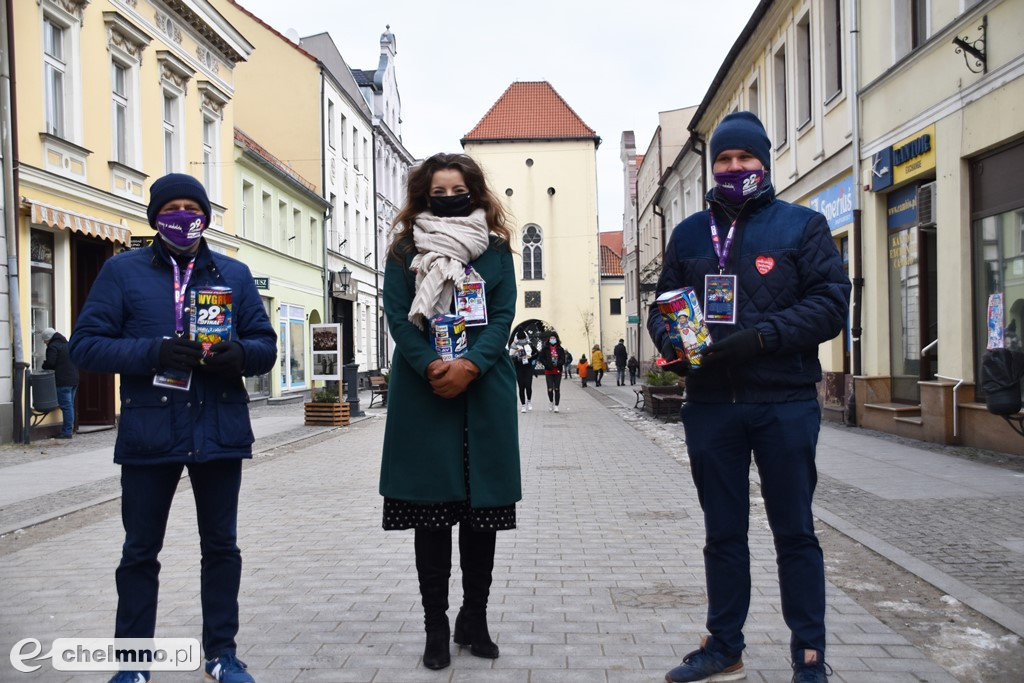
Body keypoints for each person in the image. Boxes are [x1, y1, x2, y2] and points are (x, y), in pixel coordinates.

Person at [647, 111, 850, 683]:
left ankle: (809, 655)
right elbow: (667, 304)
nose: (734, 168)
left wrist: (762, 336)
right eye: (725, 160)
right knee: (723, 533)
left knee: (795, 532)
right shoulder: (688, 233)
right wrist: (677, 346)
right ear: (715, 166)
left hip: (783, 403)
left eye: (745, 158)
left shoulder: (801, 227)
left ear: (765, 160)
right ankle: (724, 647)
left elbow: (832, 303)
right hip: (711, 405)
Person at [69, 173, 277, 683]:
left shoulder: (234, 273)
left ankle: (222, 655)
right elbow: (86, 345)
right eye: (173, 208)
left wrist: (239, 355)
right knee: (140, 550)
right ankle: (133, 663)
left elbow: (265, 345)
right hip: (149, 430)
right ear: (156, 218)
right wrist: (154, 351)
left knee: (221, 548)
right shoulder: (122, 272)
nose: (184, 216)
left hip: (219, 427)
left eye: (192, 207)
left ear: (205, 215)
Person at [379, 152, 521, 671]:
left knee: (482, 519)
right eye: (436, 191)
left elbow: (502, 315)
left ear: (475, 191)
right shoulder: (403, 251)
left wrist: (473, 366)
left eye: (455, 188)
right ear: (424, 196)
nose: (446, 196)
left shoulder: (497, 251)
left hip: (483, 392)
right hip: (426, 394)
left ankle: (474, 618)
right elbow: (398, 316)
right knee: (431, 518)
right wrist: (433, 366)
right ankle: (435, 628)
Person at [41, 327, 79, 439]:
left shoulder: (53, 346)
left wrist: (44, 365)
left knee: (66, 406)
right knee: (70, 405)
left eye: (44, 340)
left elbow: (51, 363)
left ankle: (67, 432)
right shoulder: (67, 344)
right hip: (74, 379)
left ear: (48, 338)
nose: (44, 343)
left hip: (62, 381)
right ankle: (69, 429)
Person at [538, 332, 566, 412]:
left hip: (557, 371)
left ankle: (556, 405)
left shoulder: (560, 349)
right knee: (550, 389)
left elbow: (563, 359)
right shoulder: (545, 348)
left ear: (556, 339)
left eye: (554, 338)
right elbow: (541, 358)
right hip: (548, 371)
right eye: (551, 338)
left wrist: (558, 363)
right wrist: (547, 364)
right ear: (549, 339)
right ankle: (551, 401)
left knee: (556, 389)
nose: (552, 339)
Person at [509, 331, 535, 412]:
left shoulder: (529, 344)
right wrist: (517, 357)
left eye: (523, 338)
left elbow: (536, 353)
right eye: (520, 339)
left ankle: (529, 401)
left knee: (528, 386)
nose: (521, 340)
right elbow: (510, 357)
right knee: (521, 387)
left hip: (528, 368)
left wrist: (531, 357)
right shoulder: (514, 345)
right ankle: (523, 405)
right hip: (519, 368)